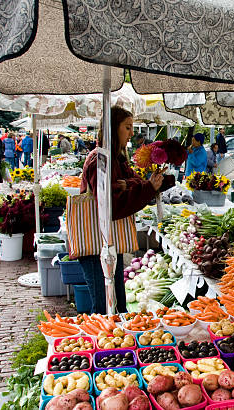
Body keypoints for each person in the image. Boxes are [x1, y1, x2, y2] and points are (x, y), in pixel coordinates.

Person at [79, 106, 175, 314]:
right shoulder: (100, 161)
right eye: (128, 127)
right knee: (105, 308)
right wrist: (144, 187)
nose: (132, 133)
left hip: (109, 242)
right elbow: (112, 206)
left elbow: (134, 180)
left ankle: (115, 346)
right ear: (113, 129)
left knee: (118, 306)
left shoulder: (116, 159)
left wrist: (132, 184)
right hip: (96, 246)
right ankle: (105, 347)